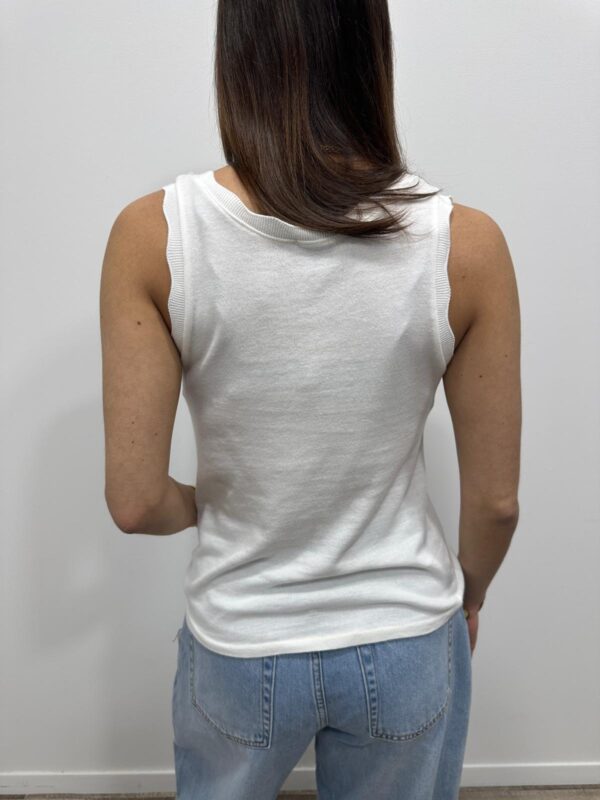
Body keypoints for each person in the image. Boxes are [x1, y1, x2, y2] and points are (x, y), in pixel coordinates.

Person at [100, 1, 521, 797]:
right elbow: (497, 503)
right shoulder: (466, 245)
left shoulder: (155, 235)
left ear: (239, 54)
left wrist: (208, 502)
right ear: (372, 51)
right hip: (404, 629)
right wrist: (472, 592)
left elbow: (134, 500)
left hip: (240, 637)